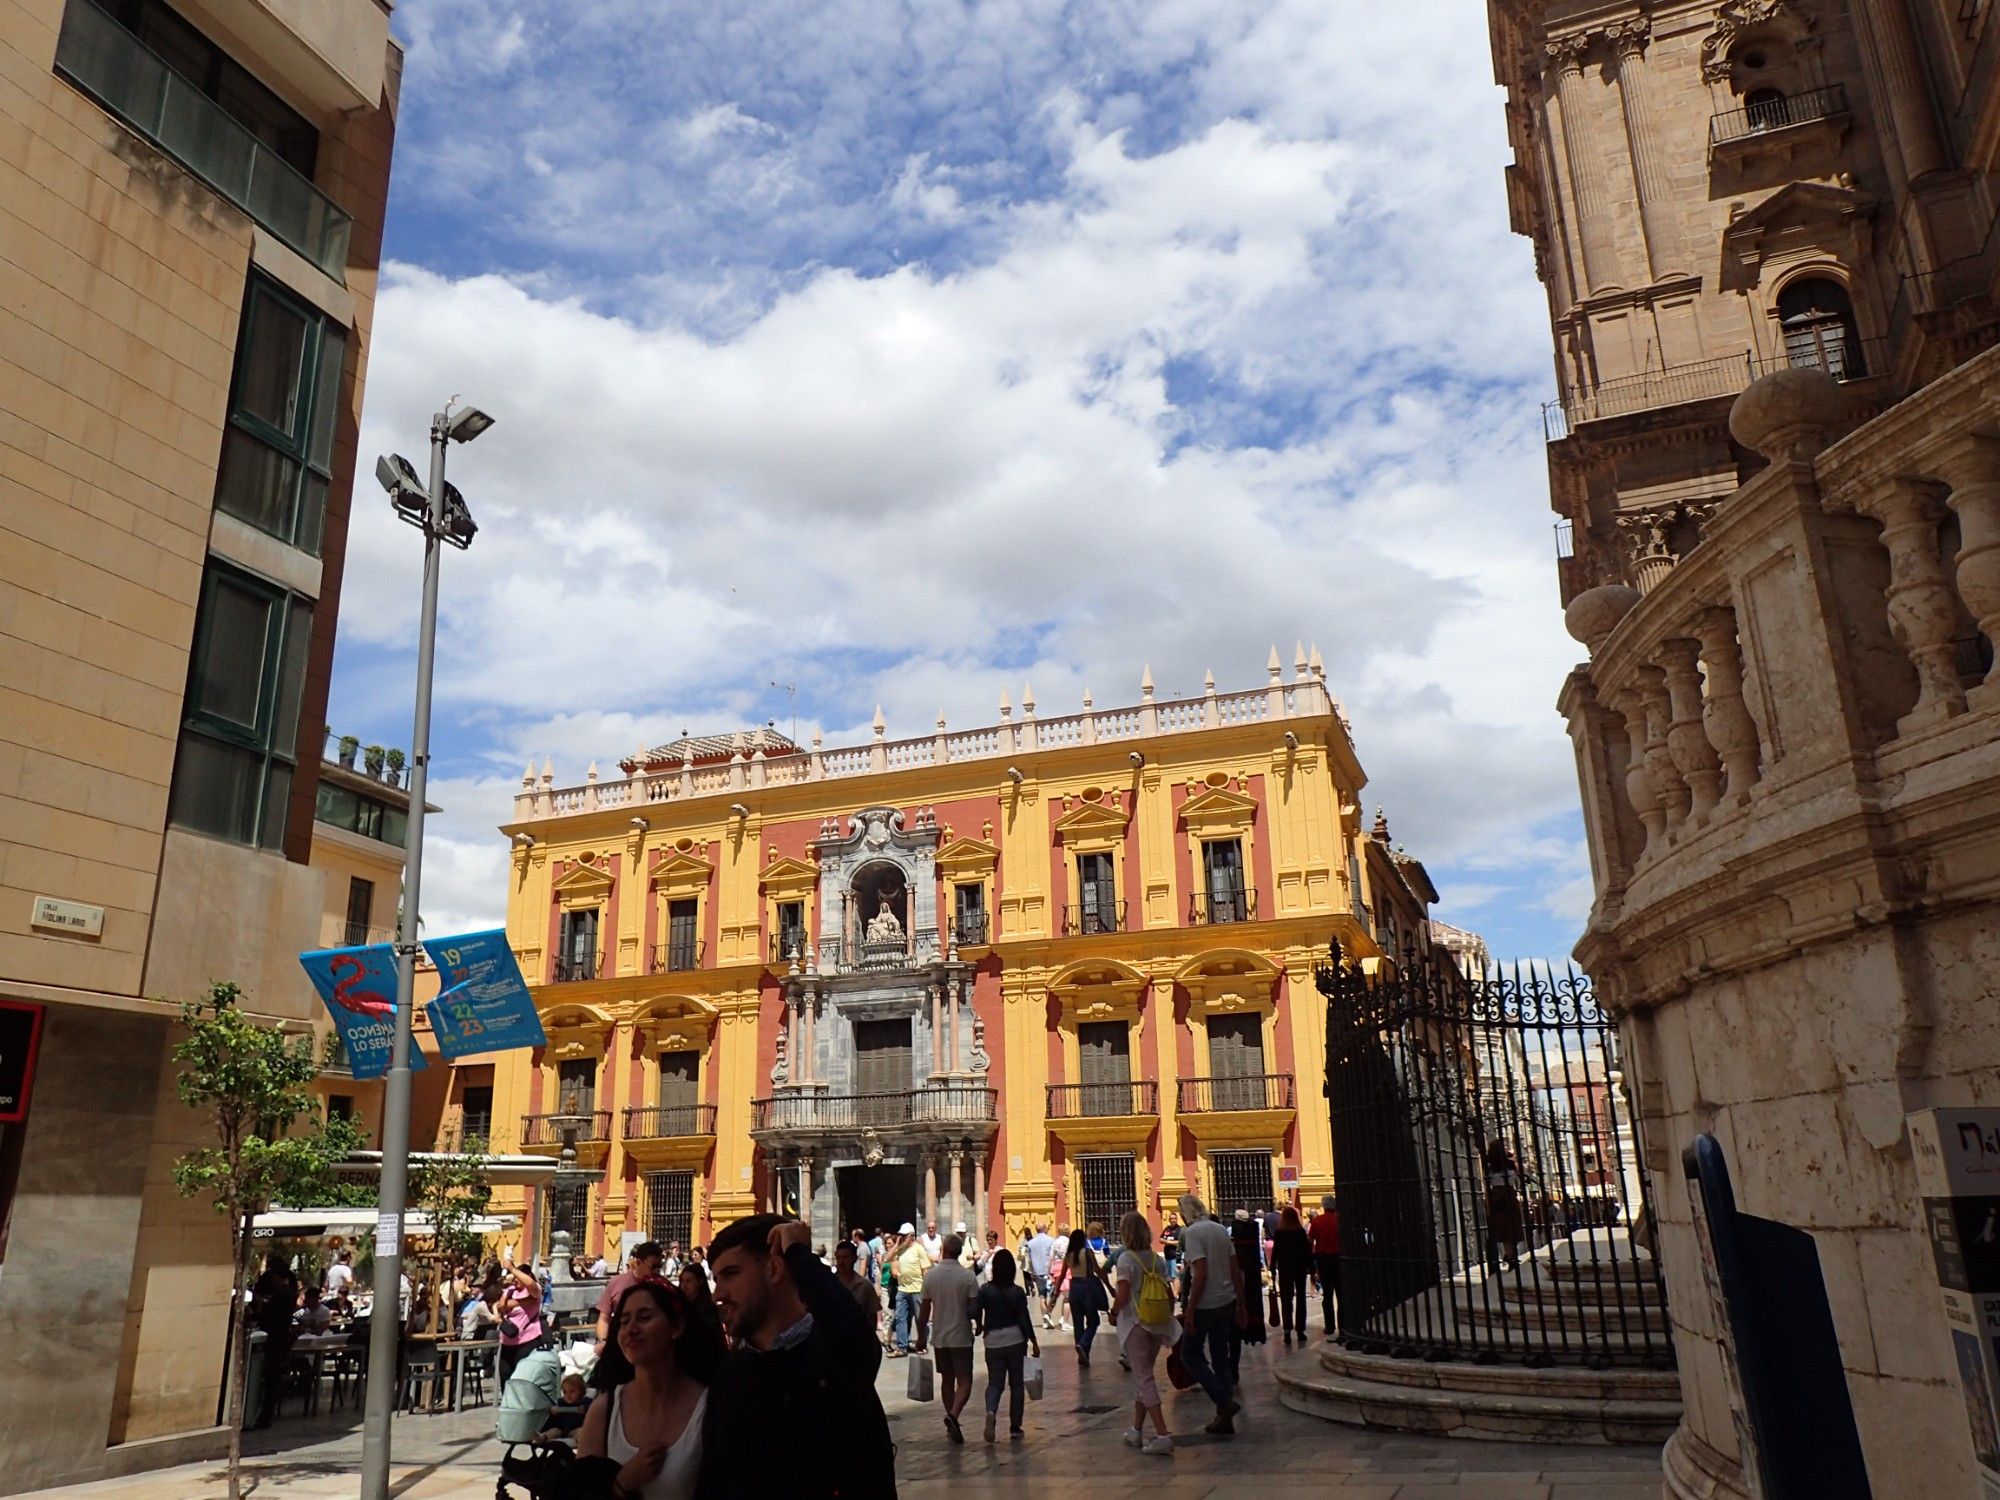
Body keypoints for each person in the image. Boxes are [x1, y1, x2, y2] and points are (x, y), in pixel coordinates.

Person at [698, 1215, 894, 1499]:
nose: (719, 1294)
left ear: (775, 1268)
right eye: (717, 1279)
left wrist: (799, 1255)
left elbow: (852, 1332)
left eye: (730, 1274)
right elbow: (712, 1480)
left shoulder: (834, 1357)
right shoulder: (728, 1375)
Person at [578, 1279, 723, 1500]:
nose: (632, 1329)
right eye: (624, 1321)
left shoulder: (710, 1409)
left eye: (644, 1318)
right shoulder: (604, 1412)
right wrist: (621, 1483)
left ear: (676, 1327)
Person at [1175, 1193, 1245, 1436]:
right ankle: (1224, 1420)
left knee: (1189, 1354)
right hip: (1226, 1301)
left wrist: (1191, 1307)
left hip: (1205, 1304)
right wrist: (1242, 1304)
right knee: (1220, 1357)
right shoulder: (1219, 1230)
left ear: (1186, 1212)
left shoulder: (1193, 1233)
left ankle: (1223, 1402)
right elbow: (1235, 1269)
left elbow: (1200, 1272)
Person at [1110, 1210, 1178, 1456]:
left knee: (1144, 1378)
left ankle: (1162, 1434)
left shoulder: (1126, 1260)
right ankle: (1136, 1431)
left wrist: (1114, 1312)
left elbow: (1123, 1292)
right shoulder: (1156, 1259)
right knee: (1144, 1374)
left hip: (1137, 1323)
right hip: (1157, 1322)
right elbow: (1169, 1293)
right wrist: (1168, 1316)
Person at [914, 1232, 978, 1443]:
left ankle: (952, 1421)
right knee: (965, 1380)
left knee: (947, 1380)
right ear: (959, 1252)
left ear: (943, 1249)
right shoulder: (968, 1276)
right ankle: (954, 1415)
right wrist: (979, 1324)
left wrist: (921, 1335)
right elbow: (974, 1308)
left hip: (940, 1337)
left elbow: (924, 1310)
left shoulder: (931, 1276)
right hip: (961, 1336)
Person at [972, 1247, 1038, 1443]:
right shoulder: (1017, 1292)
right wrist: (1034, 1341)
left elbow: (976, 1310)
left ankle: (991, 1411)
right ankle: (1015, 1427)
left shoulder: (985, 1290)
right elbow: (1024, 1319)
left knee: (994, 1383)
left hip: (993, 1341)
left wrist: (978, 1324)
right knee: (1016, 1385)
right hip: (1016, 1340)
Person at [249, 1253, 299, 1429]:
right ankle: (265, 1414)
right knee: (272, 1378)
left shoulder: (282, 1295)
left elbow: (271, 1317)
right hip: (280, 1339)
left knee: (271, 1377)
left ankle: (265, 1415)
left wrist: (261, 1306)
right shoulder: (290, 1293)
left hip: (275, 1340)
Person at [597, 1241, 667, 1353]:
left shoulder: (661, 1287)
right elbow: (604, 1318)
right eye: (653, 1267)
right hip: (619, 1347)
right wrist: (603, 1341)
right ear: (639, 1263)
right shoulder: (616, 1282)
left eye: (659, 1266)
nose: (657, 1271)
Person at [1062, 1230, 1109, 1366]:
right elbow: (1097, 1271)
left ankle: (1083, 1356)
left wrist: (1054, 1296)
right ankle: (1083, 1344)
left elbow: (1063, 1275)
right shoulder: (1087, 1253)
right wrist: (1109, 1287)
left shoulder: (1069, 1255)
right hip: (1087, 1287)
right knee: (1093, 1321)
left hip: (1074, 1287)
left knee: (1078, 1324)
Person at [497, 1259, 546, 1386]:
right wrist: (521, 1302)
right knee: (505, 1374)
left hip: (527, 1339)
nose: (516, 1280)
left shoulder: (535, 1290)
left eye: (519, 1277)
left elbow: (531, 1285)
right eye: (515, 1277)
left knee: (522, 1375)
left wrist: (512, 1268)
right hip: (508, 1340)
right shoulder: (511, 1290)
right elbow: (501, 1305)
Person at [1272, 1205, 1313, 1347]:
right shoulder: (1300, 1231)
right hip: (1300, 1268)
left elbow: (1276, 1251)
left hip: (1285, 1269)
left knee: (1286, 1299)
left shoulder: (1280, 1232)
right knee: (1301, 1298)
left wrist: (1272, 1268)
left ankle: (1287, 1330)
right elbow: (1307, 1251)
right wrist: (1312, 1269)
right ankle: (1300, 1330)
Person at [890, 1224, 931, 1356]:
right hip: (902, 1289)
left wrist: (927, 1289)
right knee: (900, 1317)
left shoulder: (919, 1249)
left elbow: (925, 1270)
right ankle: (902, 1347)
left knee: (920, 1318)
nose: (901, 1238)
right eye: (900, 1236)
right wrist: (896, 1245)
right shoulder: (900, 1249)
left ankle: (922, 1344)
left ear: (911, 1236)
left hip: (917, 1289)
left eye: (904, 1236)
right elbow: (887, 1258)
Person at [1231, 1209, 1268, 1355]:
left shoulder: (1236, 1228)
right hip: (1253, 1269)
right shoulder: (1253, 1228)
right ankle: (1257, 1331)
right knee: (1255, 1301)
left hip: (1241, 1269)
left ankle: (1244, 1330)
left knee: (1243, 1300)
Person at [1486, 1140, 1525, 1272]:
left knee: (1506, 1230)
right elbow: (1522, 1173)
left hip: (1497, 1195)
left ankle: (1510, 1256)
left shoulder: (1489, 1166)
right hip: (1508, 1194)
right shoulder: (1510, 1165)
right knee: (1511, 1228)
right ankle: (1511, 1256)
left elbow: (1487, 1184)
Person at [1309, 1195, 1342, 1337]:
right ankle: (1344, 1325)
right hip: (1339, 1259)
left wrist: (1311, 1260)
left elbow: (1310, 1241)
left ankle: (1329, 1326)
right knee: (1341, 1294)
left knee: (1327, 1295)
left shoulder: (1317, 1221)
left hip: (1323, 1260)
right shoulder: (1340, 1220)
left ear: (1323, 1206)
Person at [834, 1239, 883, 1324]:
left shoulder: (865, 1286)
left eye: (845, 1257)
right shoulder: (829, 1284)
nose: (841, 1262)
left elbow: (872, 1316)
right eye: (838, 1257)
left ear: (854, 1258)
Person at [1021, 1222, 1057, 1327]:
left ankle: (1045, 1320)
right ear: (1045, 1229)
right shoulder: (1051, 1241)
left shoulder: (1030, 1243)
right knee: (1054, 1294)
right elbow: (1053, 1257)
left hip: (1037, 1272)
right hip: (1049, 1272)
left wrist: (1032, 1272)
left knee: (1042, 1296)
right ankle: (1048, 1315)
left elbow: (1030, 1260)